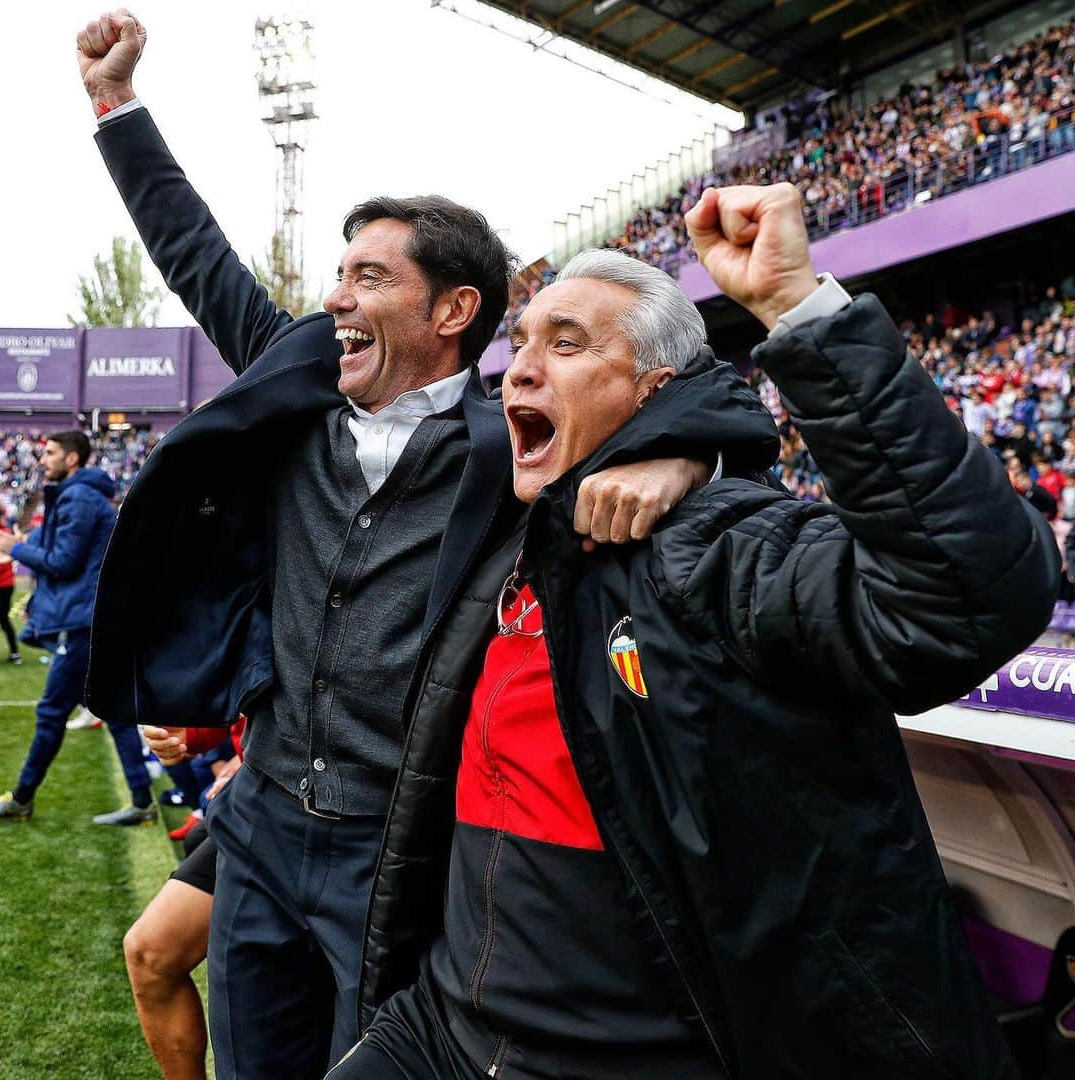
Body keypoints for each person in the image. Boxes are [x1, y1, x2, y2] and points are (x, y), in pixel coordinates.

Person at [77, 12, 719, 1076]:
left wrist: (686, 452)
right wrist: (115, 104)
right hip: (264, 824)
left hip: (399, 852)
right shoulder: (301, 387)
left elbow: (684, 394)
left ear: (454, 308)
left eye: (370, 278)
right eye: (340, 275)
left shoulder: (516, 448)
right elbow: (193, 253)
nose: (336, 297)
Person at [332, 185, 1058, 1079]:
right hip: (441, 1028)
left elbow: (964, 595)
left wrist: (798, 311)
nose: (518, 367)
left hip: (629, 1059)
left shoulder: (714, 545)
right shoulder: (509, 530)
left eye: (567, 343)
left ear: (652, 391)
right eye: (521, 343)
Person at [0, 431, 156, 825]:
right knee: (114, 711)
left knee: (52, 711)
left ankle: (22, 797)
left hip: (81, 619)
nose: (43, 458)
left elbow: (64, 561)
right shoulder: (80, 494)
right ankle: (141, 801)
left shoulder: (79, 497)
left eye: (50, 453)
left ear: (72, 459)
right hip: (88, 616)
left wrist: (10, 547)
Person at [122, 719, 245, 1080]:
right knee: (149, 952)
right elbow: (250, 699)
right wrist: (192, 735)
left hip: (354, 820)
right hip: (263, 805)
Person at [0, 505, 21, 663]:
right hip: (5, 585)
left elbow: (2, 564)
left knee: (3, 619)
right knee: (4, 619)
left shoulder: (1, 535)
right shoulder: (4, 534)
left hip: (1, 586)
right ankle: (15, 653)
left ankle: (15, 653)